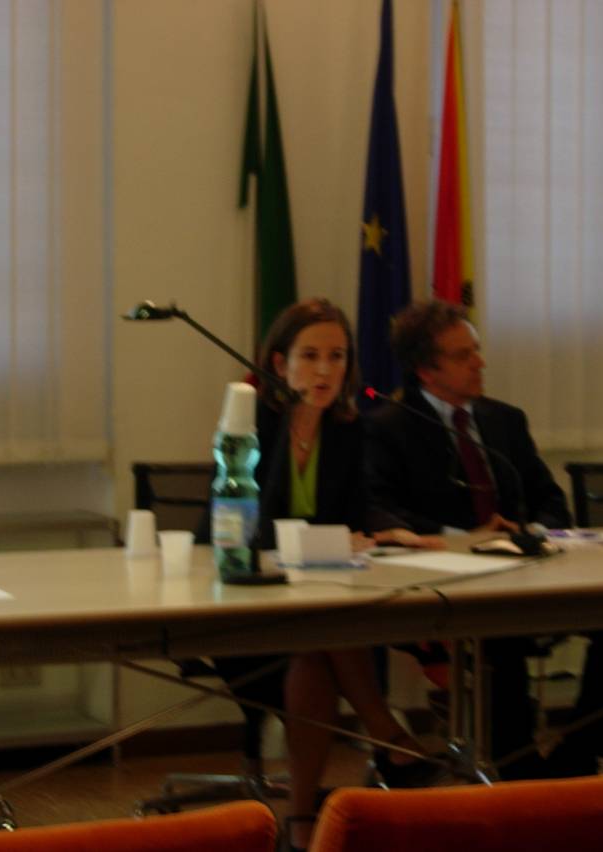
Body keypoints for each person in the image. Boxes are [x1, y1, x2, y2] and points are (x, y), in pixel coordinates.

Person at [364, 299, 603, 780]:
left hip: (527, 570)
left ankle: (579, 758)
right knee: (501, 641)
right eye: (463, 355)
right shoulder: (388, 427)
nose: (480, 363)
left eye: (476, 350)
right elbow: (381, 511)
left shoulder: (504, 420)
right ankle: (521, 774)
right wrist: (463, 539)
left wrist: (530, 531)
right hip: (446, 588)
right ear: (426, 371)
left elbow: (550, 500)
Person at [220, 298, 442, 852]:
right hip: (244, 611)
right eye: (310, 356)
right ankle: (387, 735)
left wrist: (396, 530)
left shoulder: (347, 429)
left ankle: (301, 824)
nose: (324, 370)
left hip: (314, 611)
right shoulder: (249, 422)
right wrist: (296, 419)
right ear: (280, 362)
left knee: (315, 648)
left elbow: (361, 506)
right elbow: (250, 522)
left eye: (337, 356)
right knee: (319, 638)